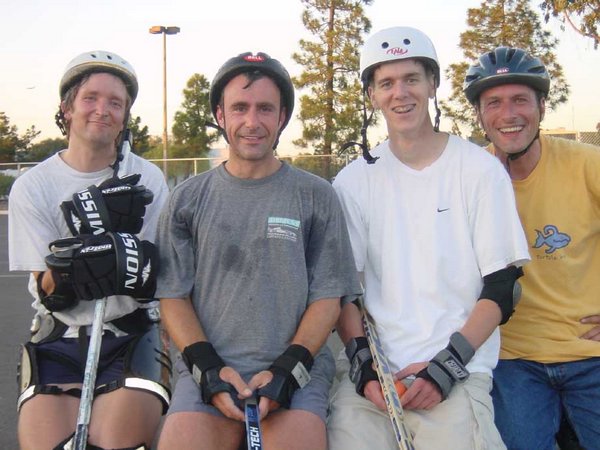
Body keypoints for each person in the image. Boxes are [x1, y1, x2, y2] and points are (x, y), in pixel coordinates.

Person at [326, 27, 530, 450]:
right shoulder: (353, 182)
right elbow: (346, 293)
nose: (401, 94)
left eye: (412, 79)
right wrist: (364, 370)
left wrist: (445, 368)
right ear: (372, 95)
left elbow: (502, 287)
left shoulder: (478, 170)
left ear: (433, 84)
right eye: (386, 83)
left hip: (456, 370)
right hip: (376, 378)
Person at [154, 51, 361, 450]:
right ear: (220, 114)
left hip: (293, 372)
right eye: (240, 108)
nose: (252, 122)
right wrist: (209, 371)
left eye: (265, 108)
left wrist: (288, 369)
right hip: (209, 371)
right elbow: (173, 297)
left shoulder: (316, 195)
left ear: (282, 116)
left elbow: (328, 297)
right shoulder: (186, 199)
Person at [9, 50, 170, 450]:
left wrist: (124, 254)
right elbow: (50, 290)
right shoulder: (34, 186)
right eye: (91, 98)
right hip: (59, 335)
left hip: (131, 332)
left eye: (116, 103)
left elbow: (152, 279)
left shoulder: (146, 178)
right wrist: (87, 248)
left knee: (114, 444)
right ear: (66, 108)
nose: (103, 110)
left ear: (125, 115)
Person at [464, 46, 600, 450]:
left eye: (521, 99)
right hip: (512, 359)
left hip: (589, 351)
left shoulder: (586, 164)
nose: (509, 115)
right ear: (480, 115)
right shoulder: (471, 177)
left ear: (542, 105)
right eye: (494, 103)